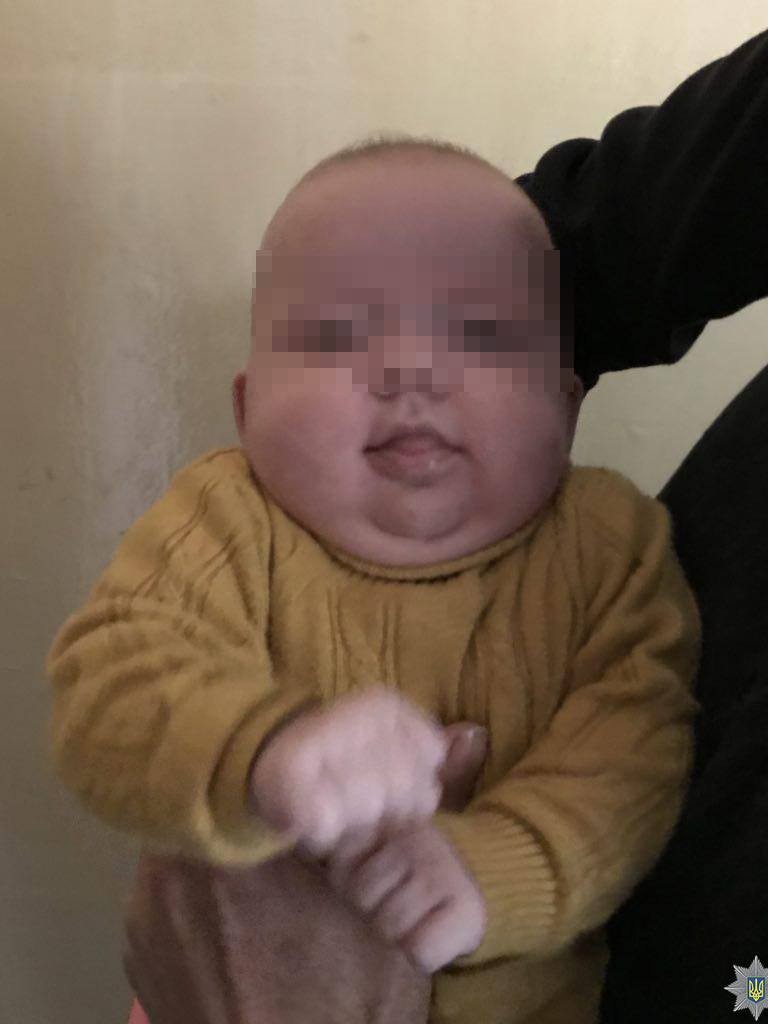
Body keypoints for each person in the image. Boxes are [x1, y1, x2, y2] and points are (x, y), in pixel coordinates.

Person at [112, 25, 768, 1024]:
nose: (412, 370)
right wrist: (254, 748)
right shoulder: (222, 518)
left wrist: (485, 872)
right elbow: (113, 679)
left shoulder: (611, 551)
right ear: (248, 411)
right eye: (338, 332)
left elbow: (630, 766)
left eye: (481, 336)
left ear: (565, 406)